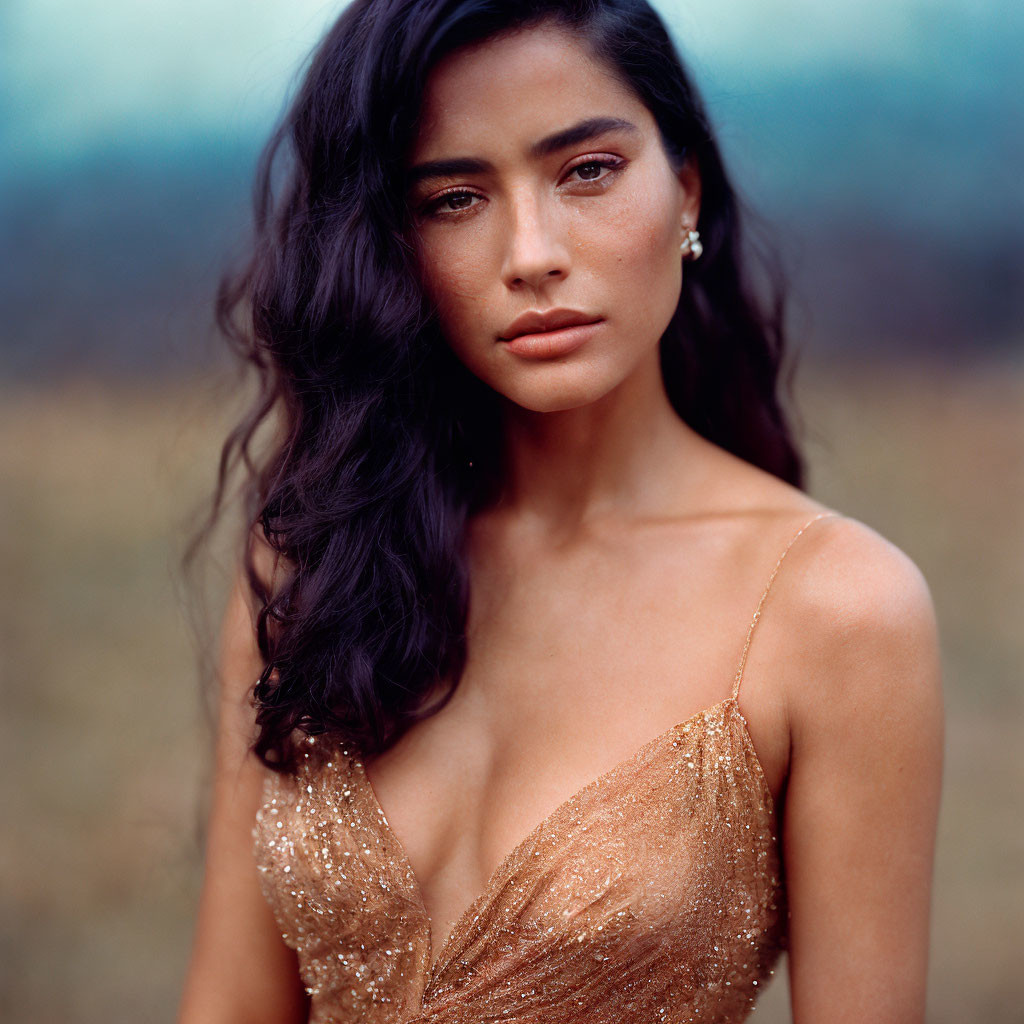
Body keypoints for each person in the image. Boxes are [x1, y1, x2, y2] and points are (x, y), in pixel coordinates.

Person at [177, 1, 944, 1021]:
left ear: (685, 189)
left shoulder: (837, 610)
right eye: (454, 197)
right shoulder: (311, 562)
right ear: (388, 248)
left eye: (586, 171)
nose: (530, 252)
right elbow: (229, 1003)